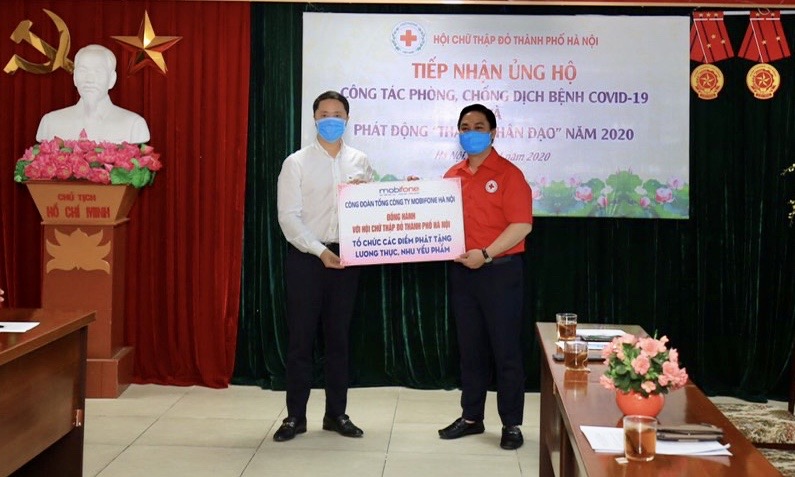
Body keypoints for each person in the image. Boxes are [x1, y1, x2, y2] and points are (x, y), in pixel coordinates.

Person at [274, 90, 373, 442]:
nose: (331, 119)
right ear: (314, 118)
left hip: (347, 259)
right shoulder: (296, 163)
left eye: (338, 114)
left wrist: (388, 194)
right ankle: (295, 417)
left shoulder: (360, 160)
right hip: (307, 259)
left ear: (347, 119)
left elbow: (373, 209)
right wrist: (319, 252)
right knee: (301, 341)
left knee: (339, 341)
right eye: (325, 114)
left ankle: (336, 414)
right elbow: (288, 218)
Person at [437, 104, 533, 450]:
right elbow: (438, 220)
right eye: (465, 127)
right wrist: (416, 199)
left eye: (479, 126)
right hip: (464, 273)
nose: (471, 132)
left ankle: (511, 424)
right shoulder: (452, 175)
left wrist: (487, 253)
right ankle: (471, 417)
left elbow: (521, 225)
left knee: (505, 350)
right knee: (470, 349)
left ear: (493, 133)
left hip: (500, 272)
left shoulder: (509, 174)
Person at [36, 44, 150, 144]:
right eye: (83, 71)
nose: (89, 79)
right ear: (74, 77)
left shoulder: (133, 125)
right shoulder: (50, 122)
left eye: (98, 72)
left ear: (112, 79)